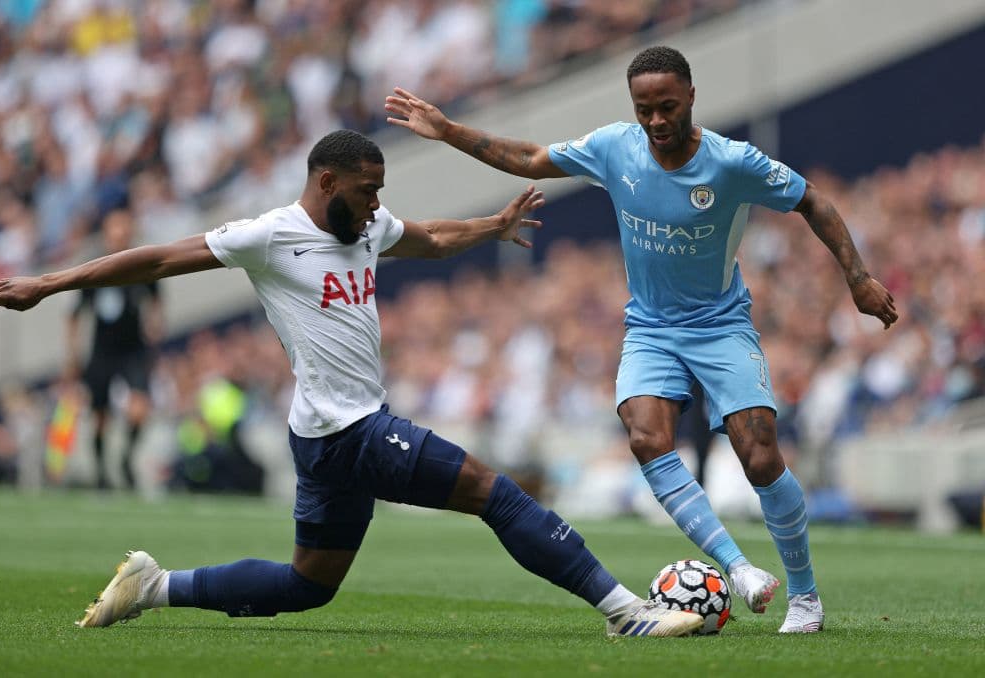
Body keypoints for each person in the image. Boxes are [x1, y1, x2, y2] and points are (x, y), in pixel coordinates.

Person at [0, 130, 703, 638]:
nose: (378, 203)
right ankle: (624, 610)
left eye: (380, 191)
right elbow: (157, 260)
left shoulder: (366, 228)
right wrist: (48, 284)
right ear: (327, 183)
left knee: (308, 586)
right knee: (493, 491)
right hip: (351, 430)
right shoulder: (270, 235)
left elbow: (429, 237)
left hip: (323, 436)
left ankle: (154, 586)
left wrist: (491, 225)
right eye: (367, 189)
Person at [385, 45, 899, 634]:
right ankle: (738, 568)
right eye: (644, 109)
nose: (656, 120)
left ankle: (805, 597)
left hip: (721, 325)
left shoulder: (733, 162)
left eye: (667, 107)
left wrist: (858, 278)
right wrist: (448, 130)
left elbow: (814, 202)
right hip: (651, 328)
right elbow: (530, 157)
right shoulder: (614, 147)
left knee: (759, 457)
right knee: (645, 437)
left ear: (691, 97)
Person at [68, 210, 162, 490]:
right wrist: (73, 353)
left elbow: (155, 300)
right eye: (114, 228)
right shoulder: (95, 266)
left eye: (124, 228)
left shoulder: (141, 264)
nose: (120, 234)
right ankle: (100, 473)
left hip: (133, 350)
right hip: (102, 352)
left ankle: (126, 458)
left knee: (139, 410)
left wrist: (155, 327)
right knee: (100, 417)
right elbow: (75, 314)